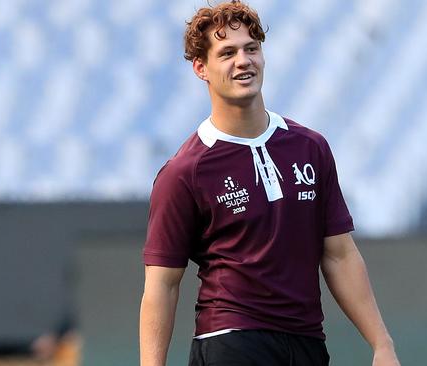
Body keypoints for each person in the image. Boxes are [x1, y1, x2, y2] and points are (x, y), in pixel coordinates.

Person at [139, 1, 400, 365]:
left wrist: (381, 343)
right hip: (231, 342)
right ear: (201, 68)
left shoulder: (310, 147)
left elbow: (339, 254)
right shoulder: (185, 172)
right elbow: (162, 286)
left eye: (251, 48)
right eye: (227, 53)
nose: (243, 61)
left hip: (307, 342)